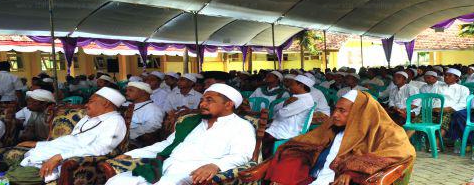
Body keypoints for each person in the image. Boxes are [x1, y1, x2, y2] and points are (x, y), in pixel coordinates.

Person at [249, 90, 416, 185]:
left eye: (342, 111)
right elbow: (302, 145)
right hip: (315, 178)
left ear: (358, 113)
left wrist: (352, 171)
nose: (334, 115)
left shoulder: (388, 131)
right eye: (335, 109)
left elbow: (403, 153)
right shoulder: (332, 127)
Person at [106, 84, 256, 185]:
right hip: (163, 168)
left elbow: (242, 155)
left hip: (191, 174)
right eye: (202, 100)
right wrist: (131, 154)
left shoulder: (241, 126)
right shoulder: (192, 122)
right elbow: (167, 145)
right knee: (116, 182)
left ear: (228, 104)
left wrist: (216, 165)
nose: (202, 104)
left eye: (209, 100)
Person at [0, 87, 126, 184]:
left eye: (91, 101)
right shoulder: (88, 118)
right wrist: (38, 144)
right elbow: (69, 141)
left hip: (47, 164)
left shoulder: (115, 121)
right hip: (37, 155)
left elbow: (101, 148)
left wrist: (59, 157)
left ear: (106, 103)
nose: (86, 105)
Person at [262, 74, 316, 158]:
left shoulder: (305, 100)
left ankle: (265, 160)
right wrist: (285, 102)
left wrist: (281, 108)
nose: (289, 86)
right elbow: (274, 108)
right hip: (282, 125)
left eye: (292, 84)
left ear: (301, 86)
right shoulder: (296, 97)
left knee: (261, 137)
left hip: (288, 130)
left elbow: (281, 114)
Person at [125, 82, 164, 147]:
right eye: (127, 90)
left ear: (143, 92)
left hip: (136, 144)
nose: (126, 93)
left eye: (130, 90)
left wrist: (127, 133)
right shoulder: (128, 105)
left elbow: (152, 128)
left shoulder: (153, 110)